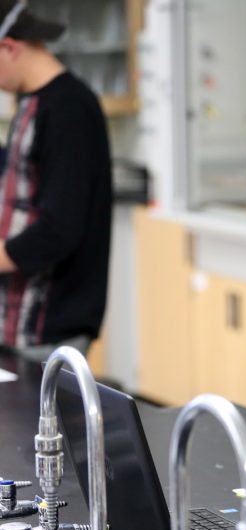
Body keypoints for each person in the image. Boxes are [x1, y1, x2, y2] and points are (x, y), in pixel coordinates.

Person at [0, 0, 113, 361]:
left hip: (50, 325)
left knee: (44, 419)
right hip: (19, 323)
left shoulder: (69, 109)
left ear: (8, 48)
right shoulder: (32, 101)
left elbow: (59, 228)